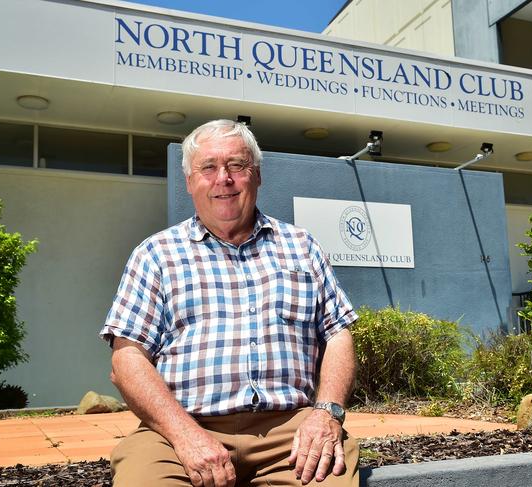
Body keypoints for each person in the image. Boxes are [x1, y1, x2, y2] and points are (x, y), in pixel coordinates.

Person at [100, 119, 359, 487]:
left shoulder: (302, 247)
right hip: (178, 430)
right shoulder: (155, 255)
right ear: (190, 181)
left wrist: (327, 413)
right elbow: (127, 357)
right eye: (208, 167)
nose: (223, 178)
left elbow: (338, 334)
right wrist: (185, 434)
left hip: (291, 429)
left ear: (256, 175)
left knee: (327, 476)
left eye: (236, 165)